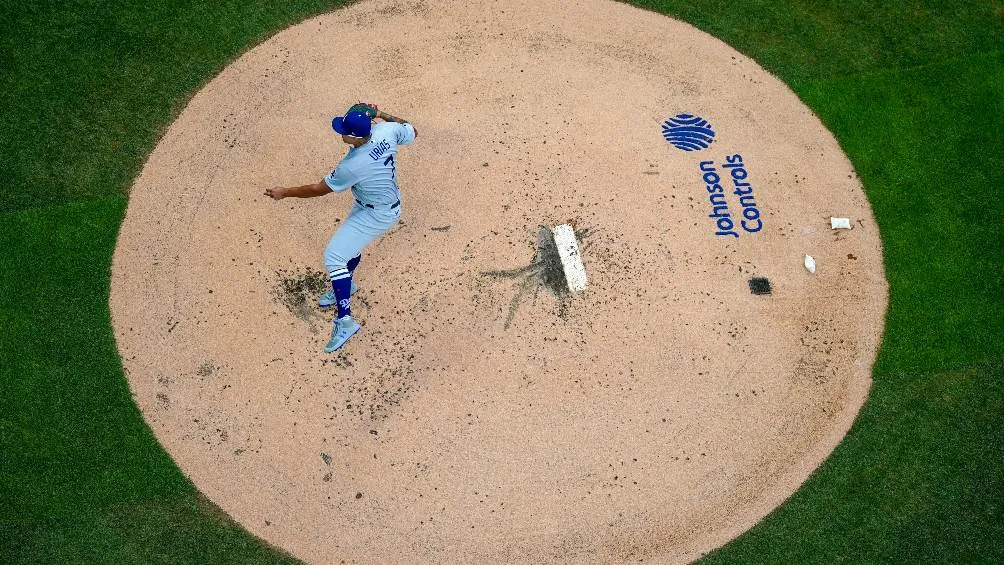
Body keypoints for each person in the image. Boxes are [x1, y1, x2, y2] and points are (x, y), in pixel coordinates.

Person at [265, 104, 417, 353]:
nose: (340, 133)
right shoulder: (386, 131)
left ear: (355, 137)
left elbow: (318, 189)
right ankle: (348, 286)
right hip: (376, 205)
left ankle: (345, 321)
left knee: (334, 256)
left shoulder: (353, 165)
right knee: (348, 246)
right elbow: (412, 130)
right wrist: (381, 115)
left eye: (343, 131)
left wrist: (285, 193)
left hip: (377, 214)